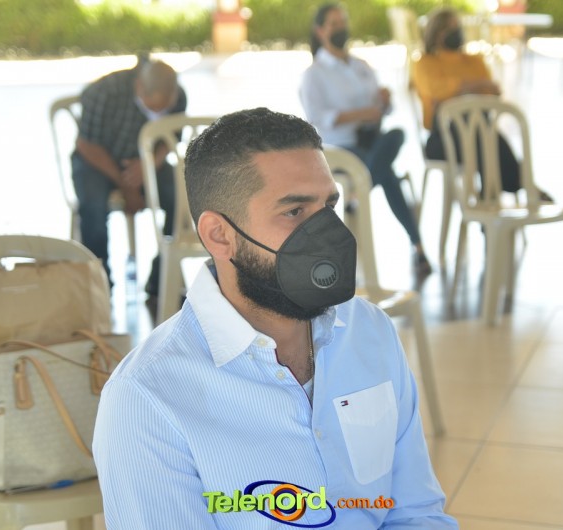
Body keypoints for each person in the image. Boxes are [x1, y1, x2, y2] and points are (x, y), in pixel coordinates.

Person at [93, 108, 458, 529]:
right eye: (295, 211)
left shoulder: (368, 331)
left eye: (329, 206)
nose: (327, 234)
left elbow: (416, 512)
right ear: (219, 235)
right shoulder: (147, 400)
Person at [299, 3, 431, 275]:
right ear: (320, 31)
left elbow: (382, 110)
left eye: (342, 22)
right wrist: (359, 114)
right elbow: (316, 118)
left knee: (397, 135)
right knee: (387, 175)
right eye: (334, 24)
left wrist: (384, 101)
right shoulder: (314, 74)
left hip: (374, 141)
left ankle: (360, 189)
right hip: (340, 148)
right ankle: (418, 246)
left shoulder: (361, 66)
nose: (340, 28)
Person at [71, 55, 187, 292]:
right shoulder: (103, 92)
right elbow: (86, 144)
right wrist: (126, 184)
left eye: (163, 110)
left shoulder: (179, 96)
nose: (158, 114)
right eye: (152, 108)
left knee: (180, 198)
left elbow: (172, 136)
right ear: (139, 88)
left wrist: (149, 164)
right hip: (97, 161)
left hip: (146, 161)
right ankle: (100, 283)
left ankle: (162, 278)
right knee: (93, 208)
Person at [413, 7, 553, 201]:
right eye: (449, 29)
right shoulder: (424, 63)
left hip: (478, 129)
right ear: (436, 34)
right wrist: (473, 86)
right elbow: (436, 90)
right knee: (486, 137)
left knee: (482, 133)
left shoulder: (474, 61)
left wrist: (459, 91)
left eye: (457, 27)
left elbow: (491, 93)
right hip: (443, 138)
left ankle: (489, 198)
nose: (456, 32)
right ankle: (518, 185)